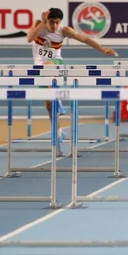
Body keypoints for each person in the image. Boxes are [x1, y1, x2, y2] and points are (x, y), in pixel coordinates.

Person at [26, 8, 118, 156]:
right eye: (51, 22)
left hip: (56, 63)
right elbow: (30, 38)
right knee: (49, 105)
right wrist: (42, 23)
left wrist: (103, 49)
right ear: (46, 20)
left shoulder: (64, 30)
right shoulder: (39, 24)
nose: (54, 26)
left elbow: (85, 39)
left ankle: (59, 101)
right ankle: (59, 133)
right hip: (40, 70)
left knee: (47, 67)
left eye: (57, 23)